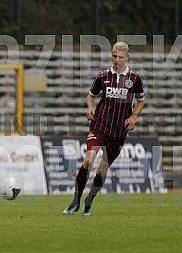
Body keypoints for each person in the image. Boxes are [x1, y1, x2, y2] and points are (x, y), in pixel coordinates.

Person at [63, 42, 145, 216]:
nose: (116, 60)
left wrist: (133, 117)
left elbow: (141, 100)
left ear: (127, 58)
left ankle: (89, 201)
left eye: (120, 57)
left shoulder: (135, 79)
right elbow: (91, 96)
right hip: (100, 124)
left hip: (118, 131)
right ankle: (75, 201)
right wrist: (90, 107)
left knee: (102, 169)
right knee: (88, 160)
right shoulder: (103, 76)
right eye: (114, 56)